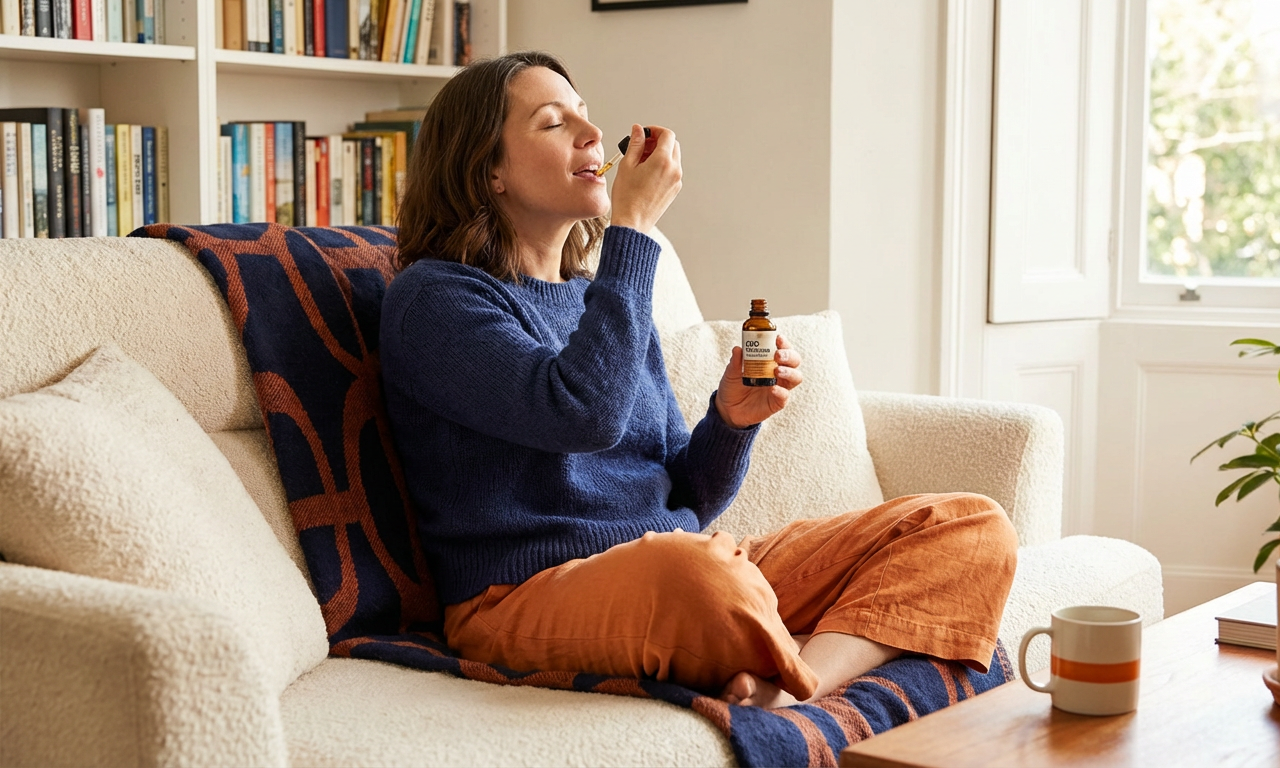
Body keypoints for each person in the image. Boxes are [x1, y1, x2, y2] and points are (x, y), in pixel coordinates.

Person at [381, 51, 1019, 708]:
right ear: (488, 170)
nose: (592, 135)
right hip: (525, 595)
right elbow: (582, 414)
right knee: (704, 574)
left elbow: (684, 493)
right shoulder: (435, 300)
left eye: (586, 115)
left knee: (968, 525)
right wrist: (631, 230)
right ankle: (824, 657)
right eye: (553, 122)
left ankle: (798, 686)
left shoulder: (594, 298)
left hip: (672, 562)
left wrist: (732, 418)